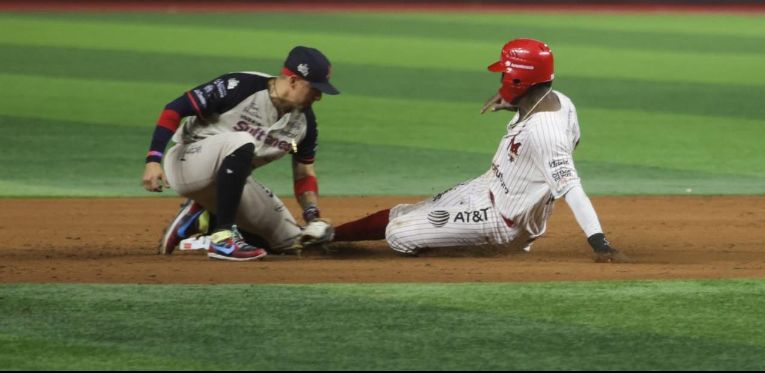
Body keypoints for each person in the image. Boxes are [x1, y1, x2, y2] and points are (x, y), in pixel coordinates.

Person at [333, 38, 627, 263]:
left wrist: (599, 243)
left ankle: (480, 254)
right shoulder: (558, 100)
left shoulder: (544, 131)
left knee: (398, 234)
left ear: (519, 80)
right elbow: (562, 131)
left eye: (505, 75)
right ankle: (331, 236)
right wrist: (512, 102)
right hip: (487, 186)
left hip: (502, 223)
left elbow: (572, 189)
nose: (500, 80)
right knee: (404, 213)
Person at [142, 46, 338, 261]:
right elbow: (174, 109)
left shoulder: (302, 125)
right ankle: (222, 237)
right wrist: (153, 160)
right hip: (187, 162)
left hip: (230, 181)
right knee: (243, 140)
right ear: (293, 81)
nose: (319, 96)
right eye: (314, 88)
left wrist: (312, 216)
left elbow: (303, 172)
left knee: (291, 241)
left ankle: (201, 218)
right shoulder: (240, 86)